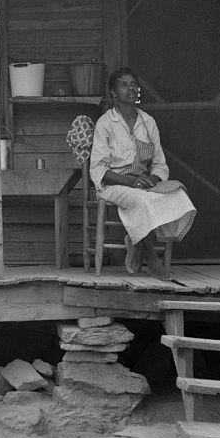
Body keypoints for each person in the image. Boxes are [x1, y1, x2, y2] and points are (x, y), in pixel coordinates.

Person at [89, 67, 196, 280]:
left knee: (178, 195)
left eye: (134, 84)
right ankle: (150, 256)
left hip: (143, 183)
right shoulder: (106, 123)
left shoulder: (148, 122)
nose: (131, 89)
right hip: (114, 184)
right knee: (142, 200)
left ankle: (135, 241)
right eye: (124, 85)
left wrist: (152, 179)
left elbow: (160, 164)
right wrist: (130, 181)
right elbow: (99, 169)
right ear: (113, 92)